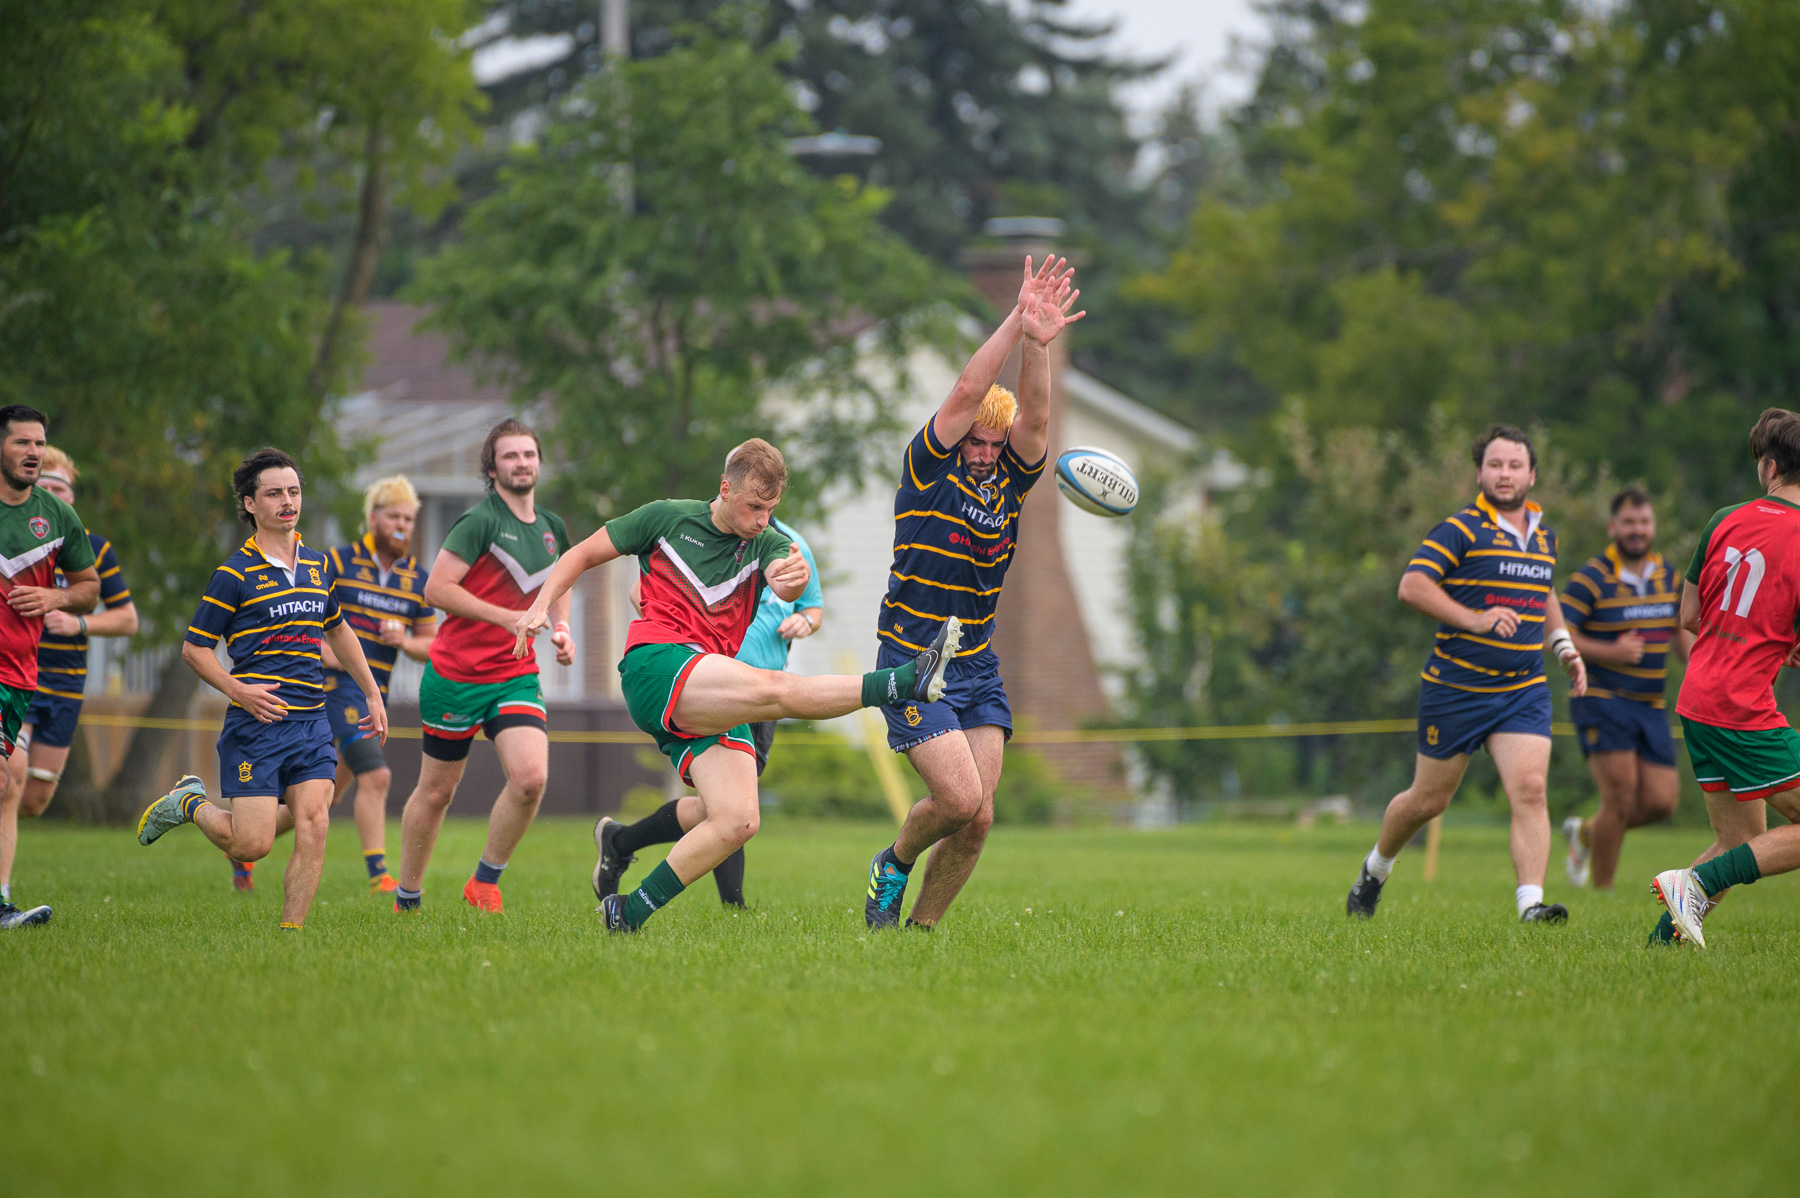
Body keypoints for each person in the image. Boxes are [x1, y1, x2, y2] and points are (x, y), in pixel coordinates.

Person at [513, 438, 960, 934]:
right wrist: (540, 607)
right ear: (725, 489)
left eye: (771, 508)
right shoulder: (665, 517)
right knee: (775, 691)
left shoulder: (767, 541)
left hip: (706, 682)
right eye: (753, 506)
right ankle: (902, 682)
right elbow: (579, 555)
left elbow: (785, 578)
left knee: (737, 820)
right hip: (656, 666)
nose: (763, 518)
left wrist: (792, 578)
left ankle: (627, 913)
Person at [861, 254, 1084, 931]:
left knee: (979, 817)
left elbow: (1038, 424)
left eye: (994, 443)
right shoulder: (926, 471)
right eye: (976, 443)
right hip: (911, 656)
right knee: (957, 800)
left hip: (977, 661)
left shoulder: (1009, 480)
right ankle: (892, 862)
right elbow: (965, 392)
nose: (985, 452)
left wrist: (1039, 349)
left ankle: (920, 935)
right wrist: (1017, 321)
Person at [136, 448, 388, 930]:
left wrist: (372, 693)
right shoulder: (234, 573)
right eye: (274, 493)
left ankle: (290, 935)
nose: (287, 501)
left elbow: (338, 630)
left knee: (315, 819)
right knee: (252, 845)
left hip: (312, 719)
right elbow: (195, 649)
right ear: (251, 504)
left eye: (293, 492)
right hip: (257, 723)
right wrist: (239, 691)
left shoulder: (317, 565)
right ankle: (190, 803)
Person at [1345, 425, 1588, 924]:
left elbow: (1544, 591)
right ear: (1480, 473)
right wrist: (1475, 619)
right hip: (1456, 688)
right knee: (1428, 800)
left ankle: (1531, 906)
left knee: (1532, 789)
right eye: (1495, 465)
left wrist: (1563, 646)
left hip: (1522, 688)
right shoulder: (1460, 529)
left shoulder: (1544, 535)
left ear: (1532, 475)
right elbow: (1412, 586)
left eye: (1515, 465)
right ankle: (1375, 870)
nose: (1505, 474)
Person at [595, 511, 824, 908]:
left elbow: (813, 607)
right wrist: (672, 649)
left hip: (766, 692)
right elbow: (642, 594)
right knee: (732, 806)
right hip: (711, 686)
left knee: (719, 806)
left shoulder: (792, 547)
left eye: (764, 501)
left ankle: (621, 841)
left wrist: (805, 621)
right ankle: (733, 905)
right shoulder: (709, 539)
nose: (757, 512)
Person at [392, 420, 575, 914]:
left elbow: (562, 583)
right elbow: (437, 590)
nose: (521, 463)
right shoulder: (479, 523)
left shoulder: (552, 527)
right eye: (510, 456)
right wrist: (509, 618)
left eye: (529, 454)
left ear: (539, 462)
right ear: (492, 468)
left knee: (531, 778)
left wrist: (562, 628)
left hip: (515, 674)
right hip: (456, 675)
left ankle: (485, 882)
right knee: (436, 793)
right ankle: (407, 896)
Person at [1649, 409, 1800, 948]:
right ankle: (1691, 882)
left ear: (1770, 467)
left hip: (1698, 698)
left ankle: (1658, 945)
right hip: (1742, 708)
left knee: (1740, 839)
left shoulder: (1723, 518)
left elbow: (1690, 615)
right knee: (1738, 853)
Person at [0, 447, 137, 912]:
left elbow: (127, 620)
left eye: (64, 490)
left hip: (65, 682)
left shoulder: (91, 548)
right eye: (49, 488)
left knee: (33, 798)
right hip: (17, 674)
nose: (56, 496)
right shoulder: (16, 536)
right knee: (9, 778)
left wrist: (76, 619)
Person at [1556, 487, 1688, 891]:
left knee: (1661, 802)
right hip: (1600, 697)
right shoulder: (1590, 578)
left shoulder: (1670, 576)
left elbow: (1683, 638)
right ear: (1613, 526)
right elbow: (1560, 633)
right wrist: (1610, 651)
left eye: (1644, 522)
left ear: (1653, 527)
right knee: (1620, 795)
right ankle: (1603, 892)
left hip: (1650, 704)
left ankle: (1586, 834)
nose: (1637, 530)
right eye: (1629, 522)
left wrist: (1712, 670)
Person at [0, 409, 101, 931]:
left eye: (39, 442)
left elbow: (90, 589)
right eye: (22, 442)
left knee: (15, 791)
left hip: (19, 673)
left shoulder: (58, 517)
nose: (33, 451)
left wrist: (55, 595)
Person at [313, 475, 435, 895]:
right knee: (377, 775)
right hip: (334, 688)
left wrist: (406, 641)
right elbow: (298, 612)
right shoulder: (337, 562)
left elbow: (433, 645)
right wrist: (321, 649)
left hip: (375, 693)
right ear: (372, 517)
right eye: (394, 516)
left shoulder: (416, 578)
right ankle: (379, 875)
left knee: (321, 796)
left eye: (409, 518)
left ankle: (243, 846)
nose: (402, 525)